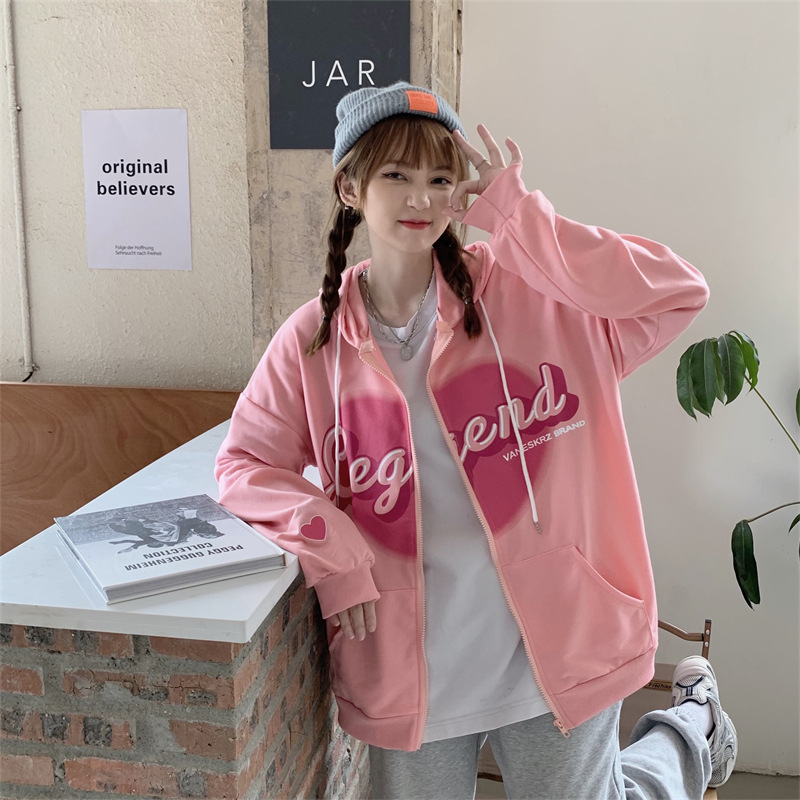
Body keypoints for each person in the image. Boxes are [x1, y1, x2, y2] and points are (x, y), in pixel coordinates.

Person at [215, 82, 737, 799]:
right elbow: (245, 463)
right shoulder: (315, 340)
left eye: (440, 178)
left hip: (553, 643)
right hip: (408, 665)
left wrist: (521, 218)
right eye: (395, 174)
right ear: (350, 187)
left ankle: (691, 730)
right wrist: (330, 547)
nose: (420, 197)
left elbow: (677, 290)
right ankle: (693, 726)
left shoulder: (529, 290)